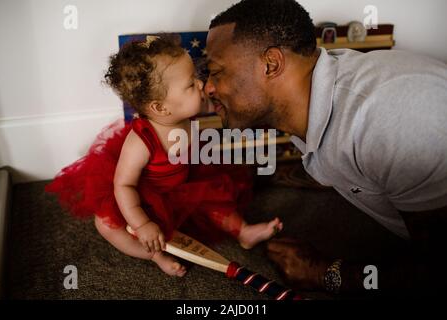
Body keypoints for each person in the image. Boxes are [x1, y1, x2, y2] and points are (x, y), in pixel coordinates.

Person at [204, 0, 447, 294]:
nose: (208, 87)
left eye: (216, 72)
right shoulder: (314, 98)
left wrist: (325, 273)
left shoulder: (386, 117)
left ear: (271, 64)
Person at [46, 35, 283, 277]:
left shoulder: (184, 111)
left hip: (184, 180)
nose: (200, 84)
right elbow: (124, 185)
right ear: (160, 107)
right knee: (107, 224)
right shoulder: (141, 142)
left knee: (213, 198)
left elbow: (216, 107)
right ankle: (155, 254)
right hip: (145, 198)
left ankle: (243, 231)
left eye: (195, 78)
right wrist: (142, 224)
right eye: (191, 84)